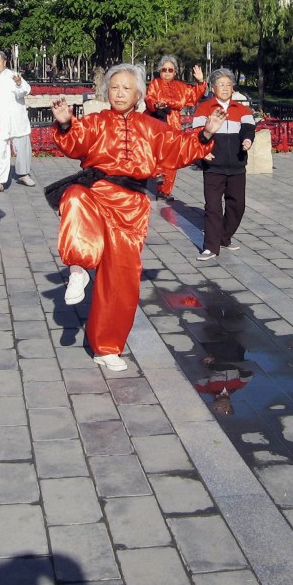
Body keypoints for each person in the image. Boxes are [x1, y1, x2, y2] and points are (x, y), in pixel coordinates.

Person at [49, 64, 224, 371]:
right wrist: (65, 124)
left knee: (122, 279)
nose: (119, 93)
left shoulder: (151, 127)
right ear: (107, 92)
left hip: (132, 208)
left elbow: (180, 147)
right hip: (98, 193)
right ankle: (78, 267)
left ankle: (107, 347)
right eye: (114, 87)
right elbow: (74, 143)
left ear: (138, 94)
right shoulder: (95, 122)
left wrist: (207, 131)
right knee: (74, 196)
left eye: (126, 88)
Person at [192, 69, 257, 260]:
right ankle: (210, 247)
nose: (225, 88)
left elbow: (249, 128)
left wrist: (247, 141)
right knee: (213, 206)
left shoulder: (241, 109)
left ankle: (224, 236)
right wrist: (204, 151)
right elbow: (196, 132)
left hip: (236, 164)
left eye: (229, 84)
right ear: (213, 88)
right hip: (213, 165)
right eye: (221, 84)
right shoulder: (204, 108)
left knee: (237, 206)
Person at [144, 55, 206, 201]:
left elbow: (194, 95)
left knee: (172, 158)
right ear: (159, 70)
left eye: (170, 70)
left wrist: (200, 81)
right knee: (154, 151)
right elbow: (149, 98)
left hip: (174, 123)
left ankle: (164, 190)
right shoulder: (155, 83)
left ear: (175, 72)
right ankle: (156, 173)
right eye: (164, 69)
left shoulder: (181, 87)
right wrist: (156, 104)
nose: (166, 72)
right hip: (157, 121)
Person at [0, 49, 35, 193]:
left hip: (17, 118)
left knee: (22, 147)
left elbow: (24, 90)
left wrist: (18, 84)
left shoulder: (13, 76)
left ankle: (24, 174)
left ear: (4, 62)